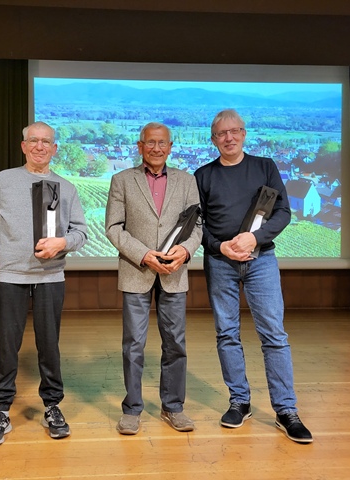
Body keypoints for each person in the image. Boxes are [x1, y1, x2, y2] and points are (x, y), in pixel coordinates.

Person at [194, 109, 313, 444]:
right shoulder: (203, 175)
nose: (228, 138)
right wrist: (220, 246)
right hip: (220, 262)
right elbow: (197, 225)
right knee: (227, 333)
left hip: (262, 260)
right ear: (213, 139)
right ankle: (239, 402)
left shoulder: (265, 167)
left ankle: (286, 410)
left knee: (274, 334)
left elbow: (283, 212)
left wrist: (254, 239)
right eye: (221, 134)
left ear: (244, 134)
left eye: (234, 131)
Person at [0, 121, 87, 446]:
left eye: (46, 141)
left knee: (49, 345)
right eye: (33, 140)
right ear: (24, 146)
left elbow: (81, 232)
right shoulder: (4, 180)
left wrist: (62, 244)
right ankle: (1, 410)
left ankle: (52, 406)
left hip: (50, 276)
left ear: (54, 149)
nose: (40, 146)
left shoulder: (66, 187)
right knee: (7, 346)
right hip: (10, 275)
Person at [105, 122, 202, 435]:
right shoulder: (122, 180)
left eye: (162, 143)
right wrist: (144, 254)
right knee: (133, 344)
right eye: (150, 142)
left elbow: (197, 226)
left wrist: (185, 251)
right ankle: (132, 409)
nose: (156, 148)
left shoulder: (187, 181)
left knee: (175, 343)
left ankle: (173, 407)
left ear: (170, 147)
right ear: (140, 146)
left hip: (174, 272)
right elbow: (113, 228)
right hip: (137, 270)